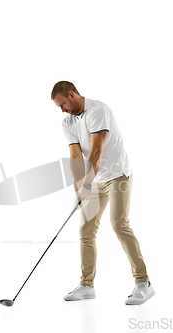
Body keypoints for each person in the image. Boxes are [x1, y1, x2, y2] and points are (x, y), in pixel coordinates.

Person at [51, 81, 155, 305]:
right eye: (58, 107)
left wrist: (86, 185)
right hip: (95, 180)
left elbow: (96, 152)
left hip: (118, 175)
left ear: (71, 95)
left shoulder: (99, 111)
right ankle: (87, 285)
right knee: (86, 229)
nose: (62, 110)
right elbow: (76, 156)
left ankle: (143, 283)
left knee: (119, 224)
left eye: (62, 104)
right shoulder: (67, 122)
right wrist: (80, 186)